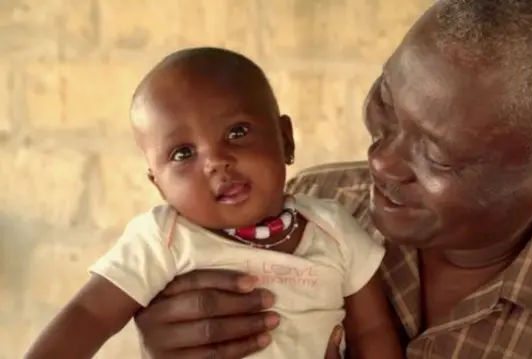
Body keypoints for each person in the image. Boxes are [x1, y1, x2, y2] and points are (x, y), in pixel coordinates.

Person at [133, 0, 532, 358]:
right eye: (386, 103)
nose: (382, 162)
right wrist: (186, 340)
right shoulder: (313, 204)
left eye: (438, 156)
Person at [23, 48, 404, 359]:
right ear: (159, 186)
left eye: (236, 132)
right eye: (183, 152)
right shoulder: (163, 240)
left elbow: (372, 333)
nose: (215, 161)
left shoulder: (335, 229)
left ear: (285, 139)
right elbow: (88, 316)